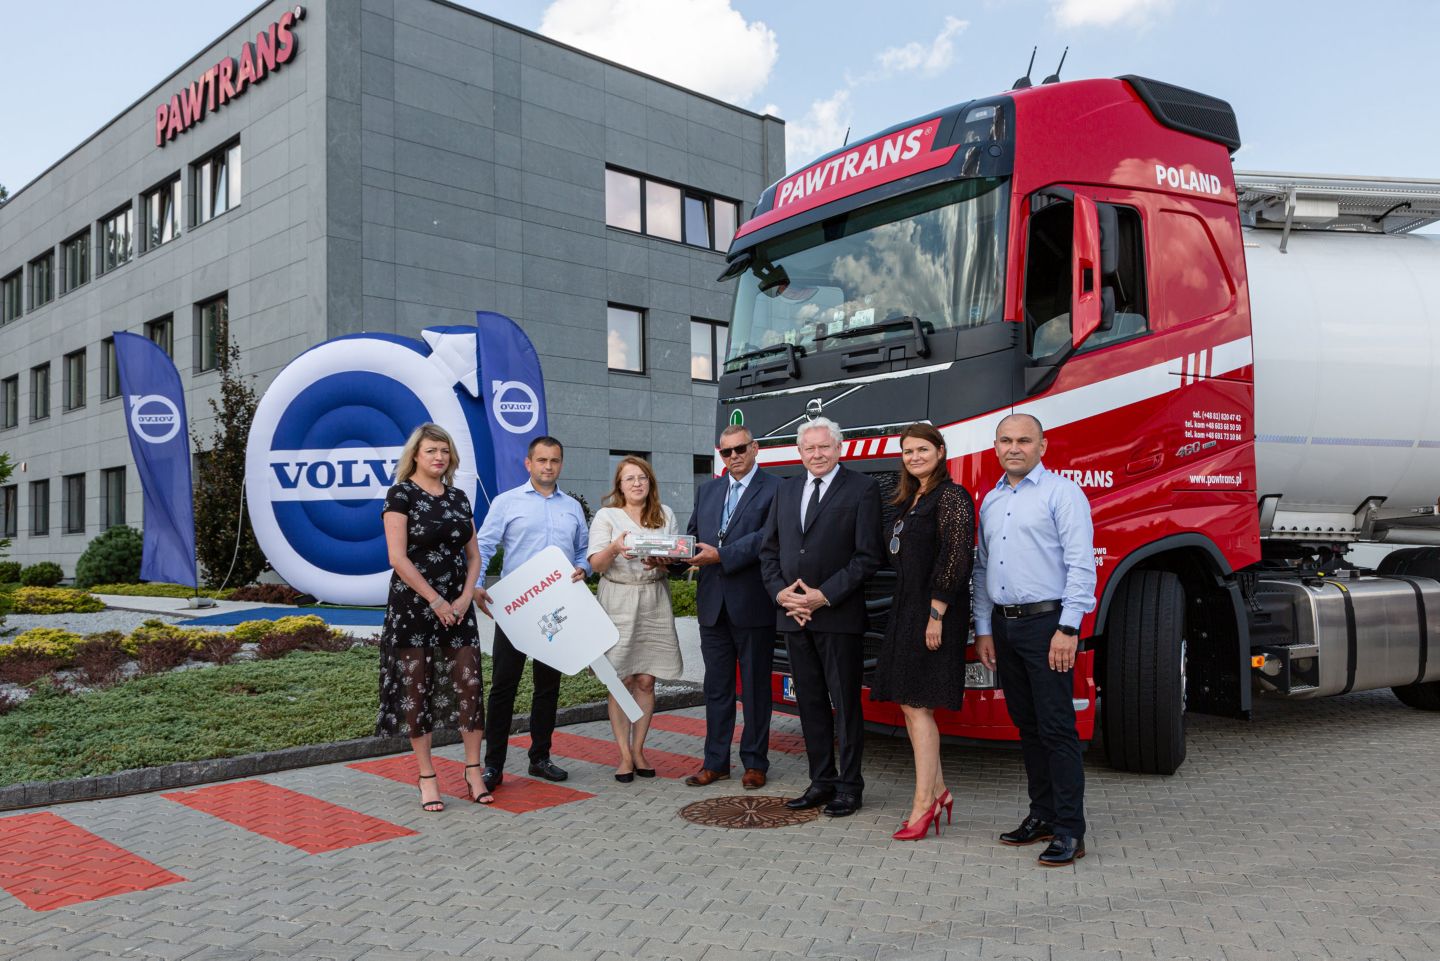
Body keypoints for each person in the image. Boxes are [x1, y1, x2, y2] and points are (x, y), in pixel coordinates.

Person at [973, 413, 1097, 867]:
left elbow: (1082, 565)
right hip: (1005, 627)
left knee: (1057, 727)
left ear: (1042, 447)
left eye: (1024, 440)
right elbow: (982, 568)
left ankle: (1070, 829)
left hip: (1049, 626)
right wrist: (984, 629)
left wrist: (1068, 628)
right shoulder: (991, 500)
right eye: (1006, 440)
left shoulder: (1062, 494)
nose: (1014, 448)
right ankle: (1042, 814)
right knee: (1026, 726)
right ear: (996, 447)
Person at [759, 417, 883, 817]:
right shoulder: (785, 489)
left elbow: (868, 556)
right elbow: (769, 551)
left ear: (839, 448)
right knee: (809, 702)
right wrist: (781, 594)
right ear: (799, 452)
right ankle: (821, 781)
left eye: (824, 447)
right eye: (809, 448)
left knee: (845, 705)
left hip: (838, 616)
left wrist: (823, 596)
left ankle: (850, 786)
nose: (817, 454)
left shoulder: (862, 489)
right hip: (793, 616)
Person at [868, 423, 974, 840]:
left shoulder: (952, 496)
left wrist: (937, 613)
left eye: (922, 450)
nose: (914, 457)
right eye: (908, 451)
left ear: (940, 452)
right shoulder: (910, 499)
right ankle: (940, 792)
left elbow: (956, 557)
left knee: (918, 705)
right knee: (910, 705)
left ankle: (923, 804)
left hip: (934, 611)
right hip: (906, 608)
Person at [377, 423, 492, 810]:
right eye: (431, 451)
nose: (439, 457)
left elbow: (474, 556)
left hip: (459, 608)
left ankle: (473, 770)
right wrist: (436, 601)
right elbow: (397, 558)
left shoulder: (459, 497)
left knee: (470, 686)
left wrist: (464, 597)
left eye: (444, 451)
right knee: (417, 691)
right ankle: (427, 776)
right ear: (416, 455)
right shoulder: (401, 495)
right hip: (414, 608)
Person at [473, 436, 590, 791]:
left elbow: (583, 550)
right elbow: (484, 545)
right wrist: (476, 584)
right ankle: (493, 765)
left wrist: (584, 567)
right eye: (542, 460)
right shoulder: (507, 502)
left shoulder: (572, 507)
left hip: (556, 608)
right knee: (503, 686)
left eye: (554, 460)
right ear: (528, 463)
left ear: (561, 463)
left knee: (547, 687)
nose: (548, 466)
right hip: (517, 608)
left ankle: (540, 758)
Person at [681, 425, 780, 790]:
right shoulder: (708, 490)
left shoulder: (777, 489)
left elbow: (767, 538)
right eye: (727, 452)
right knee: (717, 689)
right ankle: (715, 763)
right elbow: (693, 538)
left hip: (753, 604)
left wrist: (722, 555)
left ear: (755, 448)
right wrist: (668, 558)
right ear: (720, 453)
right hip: (712, 605)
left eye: (740, 449)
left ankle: (755, 762)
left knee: (755, 689)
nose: (734, 456)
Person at [587, 456, 685, 782]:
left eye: (642, 477)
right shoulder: (607, 516)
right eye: (629, 478)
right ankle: (624, 755)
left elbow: (676, 560)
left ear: (650, 482)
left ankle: (639, 749)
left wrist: (663, 561)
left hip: (654, 598)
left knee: (646, 680)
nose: (637, 483)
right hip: (617, 598)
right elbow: (596, 565)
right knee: (622, 678)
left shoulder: (664, 514)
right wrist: (615, 548)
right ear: (619, 485)